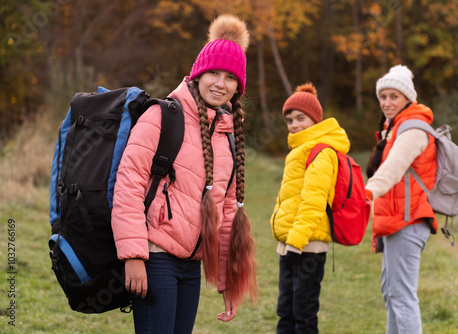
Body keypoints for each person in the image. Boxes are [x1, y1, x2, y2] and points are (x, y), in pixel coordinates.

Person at [111, 14, 257, 334]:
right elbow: (129, 185)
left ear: (238, 87)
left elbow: (226, 211)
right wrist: (134, 256)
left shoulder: (228, 136)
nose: (221, 83)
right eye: (214, 73)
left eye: (230, 77)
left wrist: (228, 281)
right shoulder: (161, 115)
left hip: (192, 265)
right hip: (156, 257)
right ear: (198, 74)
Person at [270, 83, 350, 334]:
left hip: (307, 246)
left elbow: (314, 200)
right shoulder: (297, 151)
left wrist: (296, 241)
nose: (294, 124)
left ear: (315, 119)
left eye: (301, 118)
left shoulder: (321, 152)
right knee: (286, 311)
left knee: (303, 313)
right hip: (290, 244)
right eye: (289, 119)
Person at [365, 64, 438, 334]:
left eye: (394, 96)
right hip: (397, 219)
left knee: (402, 297)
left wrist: (367, 192)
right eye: (383, 96)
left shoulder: (413, 129)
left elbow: (393, 168)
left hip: (407, 220)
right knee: (392, 293)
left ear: (408, 98)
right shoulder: (393, 128)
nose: (386, 102)